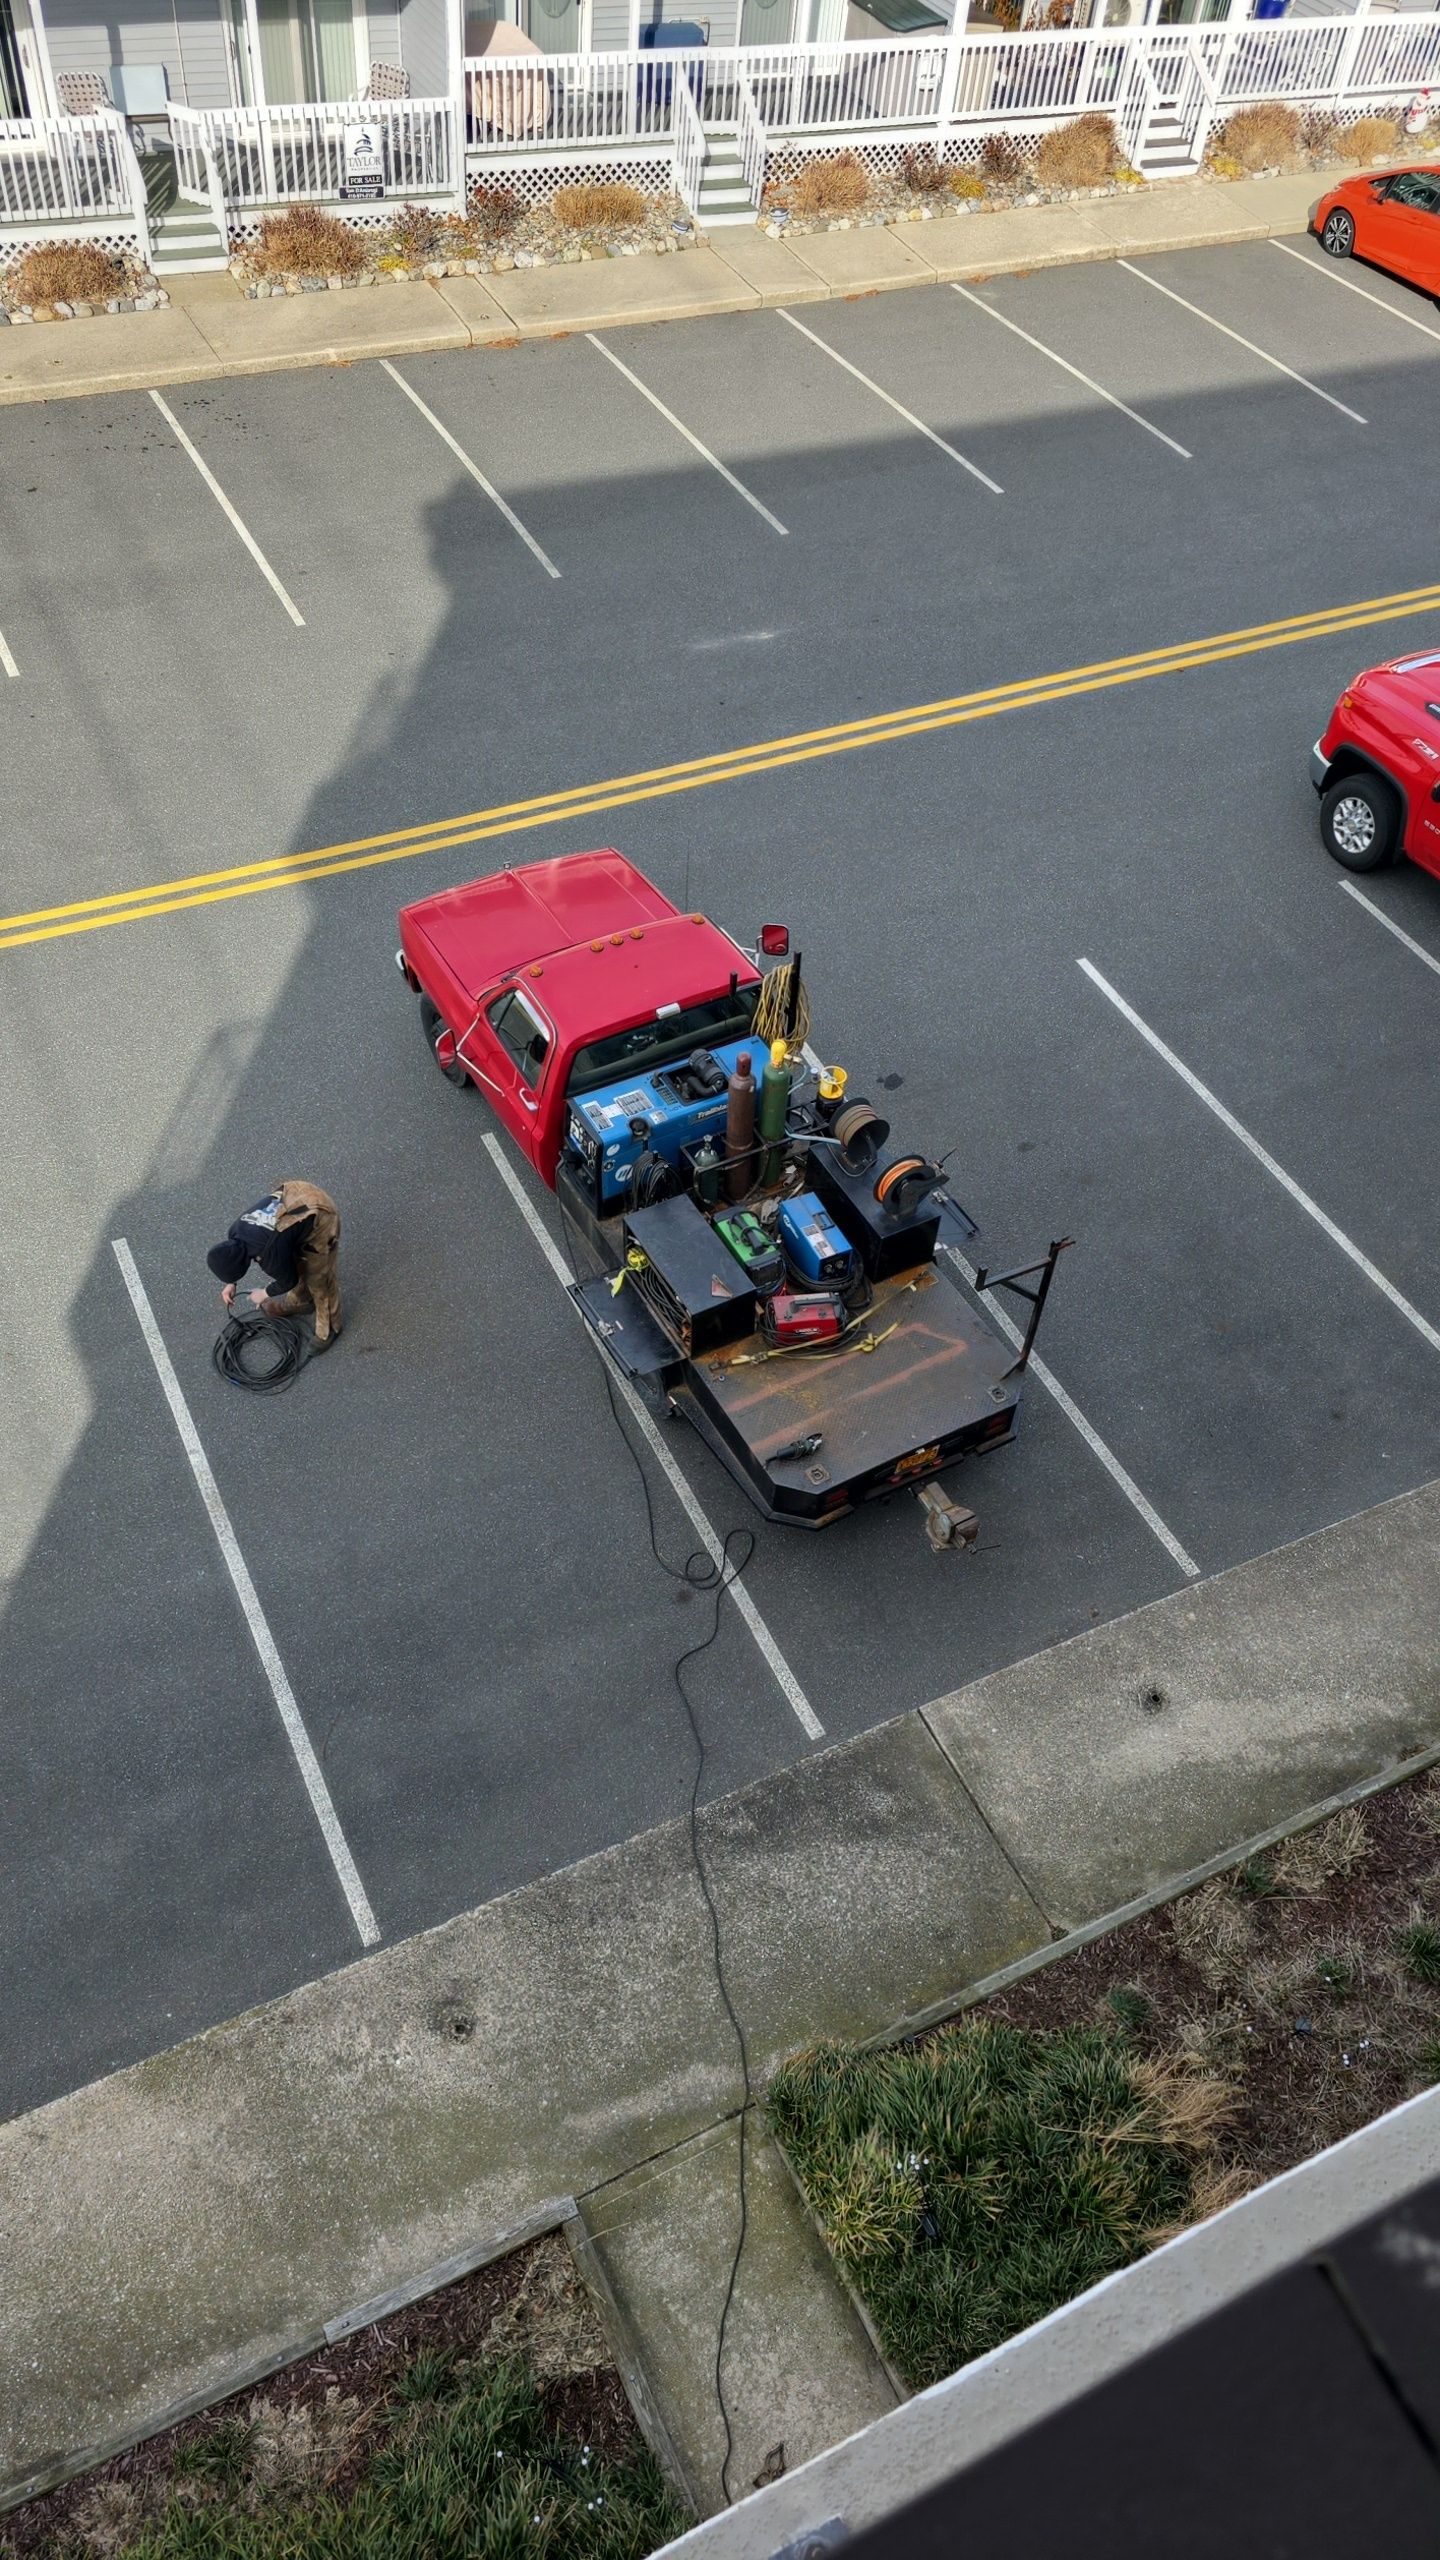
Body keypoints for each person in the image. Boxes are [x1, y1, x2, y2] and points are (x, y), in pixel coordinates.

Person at [206, 1180, 343, 1347]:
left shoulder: (269, 1255)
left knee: (318, 1279)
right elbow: (231, 1255)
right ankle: (300, 1303)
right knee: (293, 1261)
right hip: (294, 1194)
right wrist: (231, 1283)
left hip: (319, 1212)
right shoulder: (235, 1231)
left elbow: (288, 1281)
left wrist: (264, 1293)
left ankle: (328, 1331)